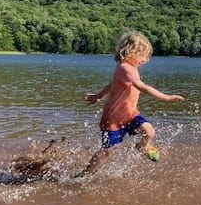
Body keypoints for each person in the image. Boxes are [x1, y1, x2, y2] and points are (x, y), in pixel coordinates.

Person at [77, 31, 184, 175]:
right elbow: (142, 87)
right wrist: (167, 98)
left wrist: (99, 95)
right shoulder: (125, 68)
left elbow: (113, 85)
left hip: (130, 113)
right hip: (113, 118)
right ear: (131, 52)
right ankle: (86, 173)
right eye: (143, 55)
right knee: (108, 151)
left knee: (149, 132)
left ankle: (141, 146)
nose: (145, 60)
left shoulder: (129, 69)